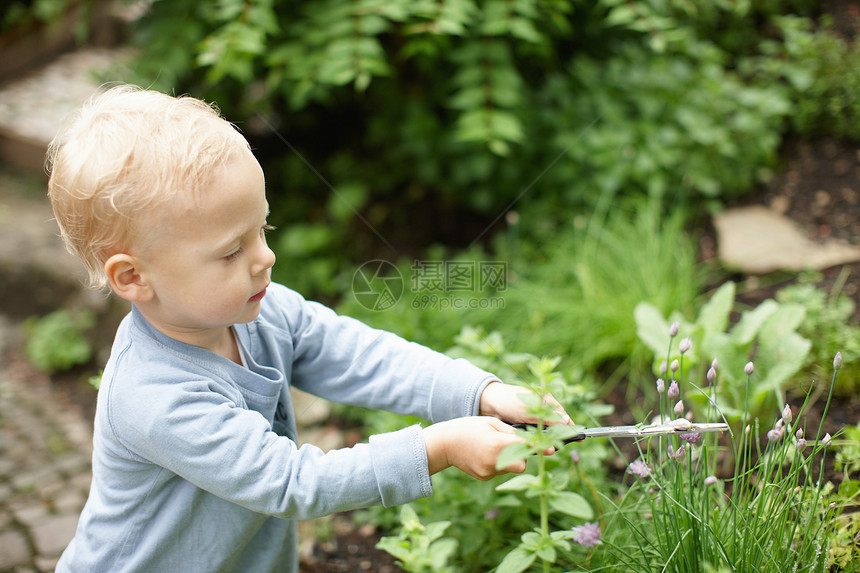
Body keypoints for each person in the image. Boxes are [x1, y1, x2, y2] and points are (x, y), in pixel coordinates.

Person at [46, 84, 572, 572]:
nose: (265, 257)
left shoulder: (259, 310)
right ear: (133, 277)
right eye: (232, 251)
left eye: (263, 229)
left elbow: (357, 354)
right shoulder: (153, 395)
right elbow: (293, 481)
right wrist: (438, 447)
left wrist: (479, 393)